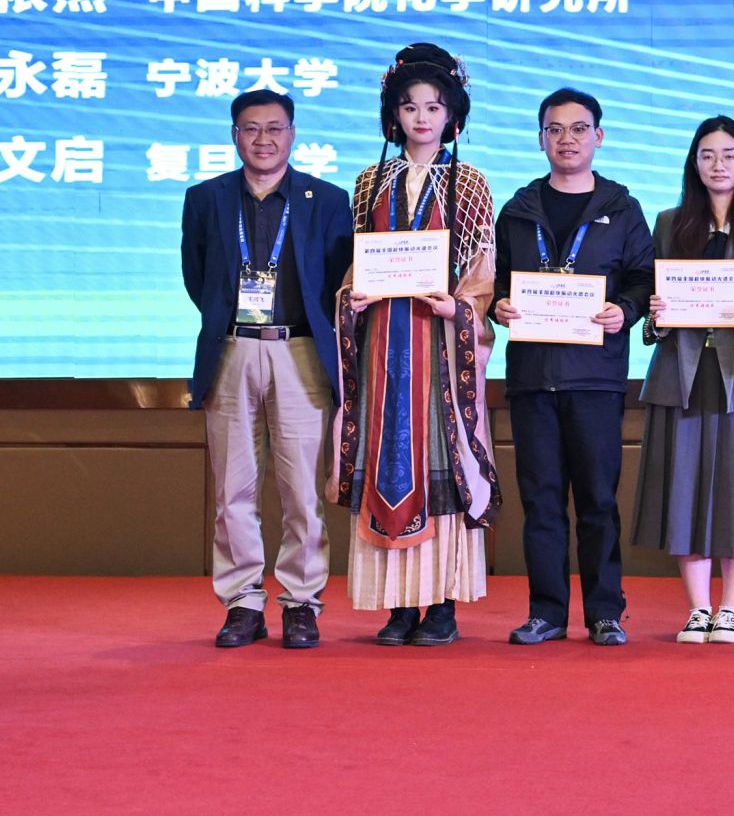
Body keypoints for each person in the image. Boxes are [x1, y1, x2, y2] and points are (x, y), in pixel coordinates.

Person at [331, 43, 500, 646]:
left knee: (440, 459)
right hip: (382, 348)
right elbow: (356, 266)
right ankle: (398, 604)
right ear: (393, 115)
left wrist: (459, 308)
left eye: (433, 106)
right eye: (409, 107)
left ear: (452, 113)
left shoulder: (469, 183)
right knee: (386, 454)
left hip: (438, 348)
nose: (421, 118)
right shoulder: (368, 183)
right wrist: (351, 299)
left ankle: (443, 603)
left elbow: (481, 275)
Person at [182, 89, 353, 649]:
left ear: (292, 134)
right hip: (231, 348)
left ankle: (301, 603)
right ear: (235, 135)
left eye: (275, 128)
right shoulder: (205, 198)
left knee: (302, 489)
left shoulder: (327, 200)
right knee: (233, 489)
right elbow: (198, 278)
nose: (263, 139)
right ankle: (242, 603)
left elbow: (338, 280)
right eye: (251, 129)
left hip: (299, 349)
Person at [490, 88, 655, 647]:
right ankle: (547, 612)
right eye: (555, 129)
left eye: (579, 128)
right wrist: (497, 305)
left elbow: (643, 277)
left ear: (598, 137)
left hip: (596, 377)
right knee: (540, 501)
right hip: (532, 378)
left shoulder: (622, 208)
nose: (567, 139)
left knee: (598, 501)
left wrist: (625, 309)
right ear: (540, 139)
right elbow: (496, 278)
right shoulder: (517, 210)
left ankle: (605, 611)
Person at [633, 115, 734, 646]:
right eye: (707, 155)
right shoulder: (668, 223)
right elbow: (650, 307)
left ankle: (732, 608)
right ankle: (698, 608)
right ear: (693, 163)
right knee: (685, 489)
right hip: (679, 374)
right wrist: (655, 314)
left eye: (729, 155)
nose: (718, 165)